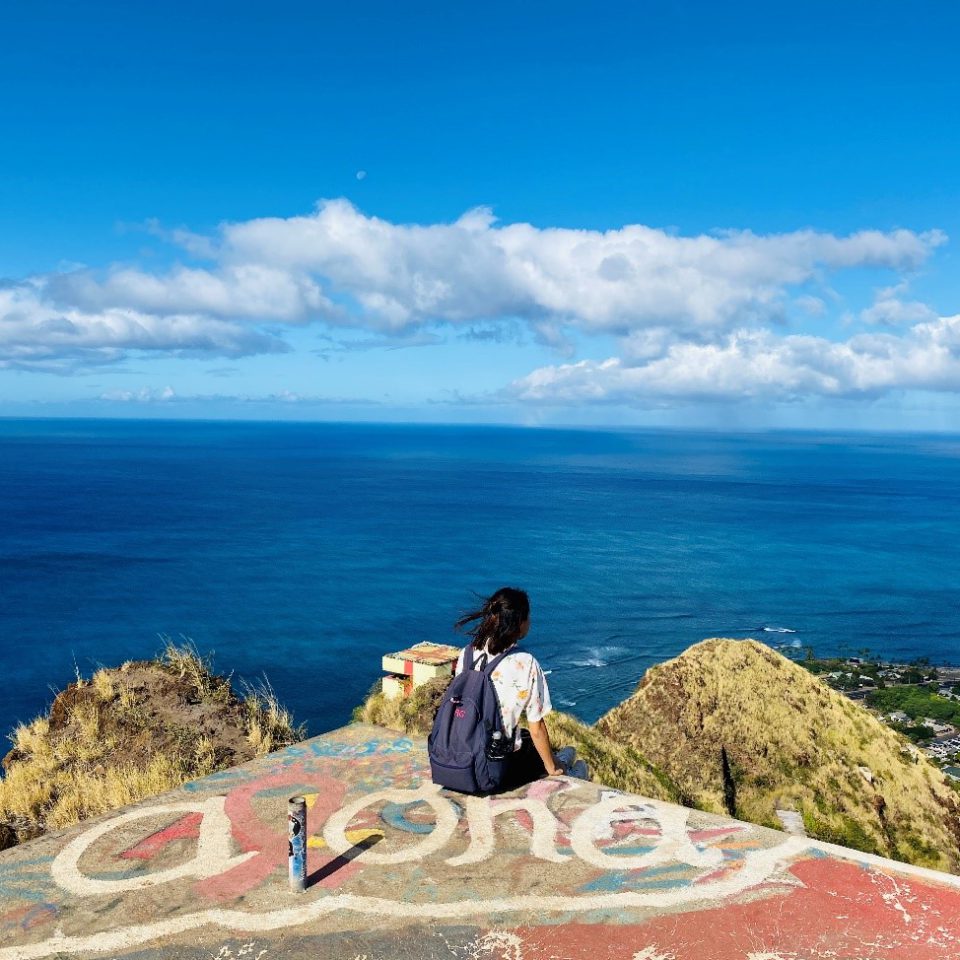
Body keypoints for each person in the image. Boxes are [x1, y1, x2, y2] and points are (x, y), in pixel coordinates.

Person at [453, 586, 564, 788]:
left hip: (462, 757)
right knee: (572, 761)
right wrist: (552, 768)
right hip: (498, 767)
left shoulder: (467, 654)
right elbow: (536, 727)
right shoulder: (525, 662)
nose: (530, 622)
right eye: (527, 617)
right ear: (519, 623)